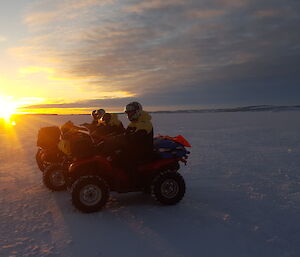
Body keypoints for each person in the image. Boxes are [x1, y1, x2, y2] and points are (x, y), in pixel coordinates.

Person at [104, 102, 153, 186]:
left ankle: (133, 182)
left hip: (143, 151)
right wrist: (110, 137)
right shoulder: (133, 123)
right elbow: (125, 134)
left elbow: (135, 137)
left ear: (137, 112)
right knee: (114, 155)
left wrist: (118, 139)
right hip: (134, 148)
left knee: (122, 158)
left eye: (131, 112)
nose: (129, 115)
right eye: (128, 113)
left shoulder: (144, 124)